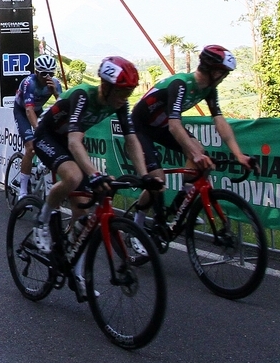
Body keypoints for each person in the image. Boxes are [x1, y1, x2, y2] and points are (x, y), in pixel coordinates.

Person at [28, 57, 155, 273]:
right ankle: (42, 219)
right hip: (47, 136)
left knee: (83, 212)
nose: (124, 98)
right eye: (121, 92)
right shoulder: (83, 95)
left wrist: (145, 176)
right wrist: (94, 174)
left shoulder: (120, 104)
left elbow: (131, 140)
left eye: (129, 92)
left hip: (70, 140)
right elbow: (74, 141)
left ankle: (76, 273)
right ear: (106, 86)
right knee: (73, 177)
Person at [129, 45, 255, 212]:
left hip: (161, 125)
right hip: (140, 127)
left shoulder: (209, 89)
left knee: (203, 159)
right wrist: (195, 154)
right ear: (214, 71)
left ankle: (179, 209)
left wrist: (238, 154)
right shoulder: (180, 84)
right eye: (224, 73)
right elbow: (174, 125)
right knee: (158, 180)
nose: (225, 77)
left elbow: (220, 121)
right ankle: (138, 222)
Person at [11, 54, 64, 193]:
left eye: (51, 73)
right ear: (36, 72)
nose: (47, 77)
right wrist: (38, 129)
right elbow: (29, 110)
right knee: (30, 147)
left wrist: (55, 92)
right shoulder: (29, 83)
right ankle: (22, 190)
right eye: (44, 73)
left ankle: (38, 171)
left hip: (38, 109)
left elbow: (62, 105)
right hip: (22, 111)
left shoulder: (55, 83)